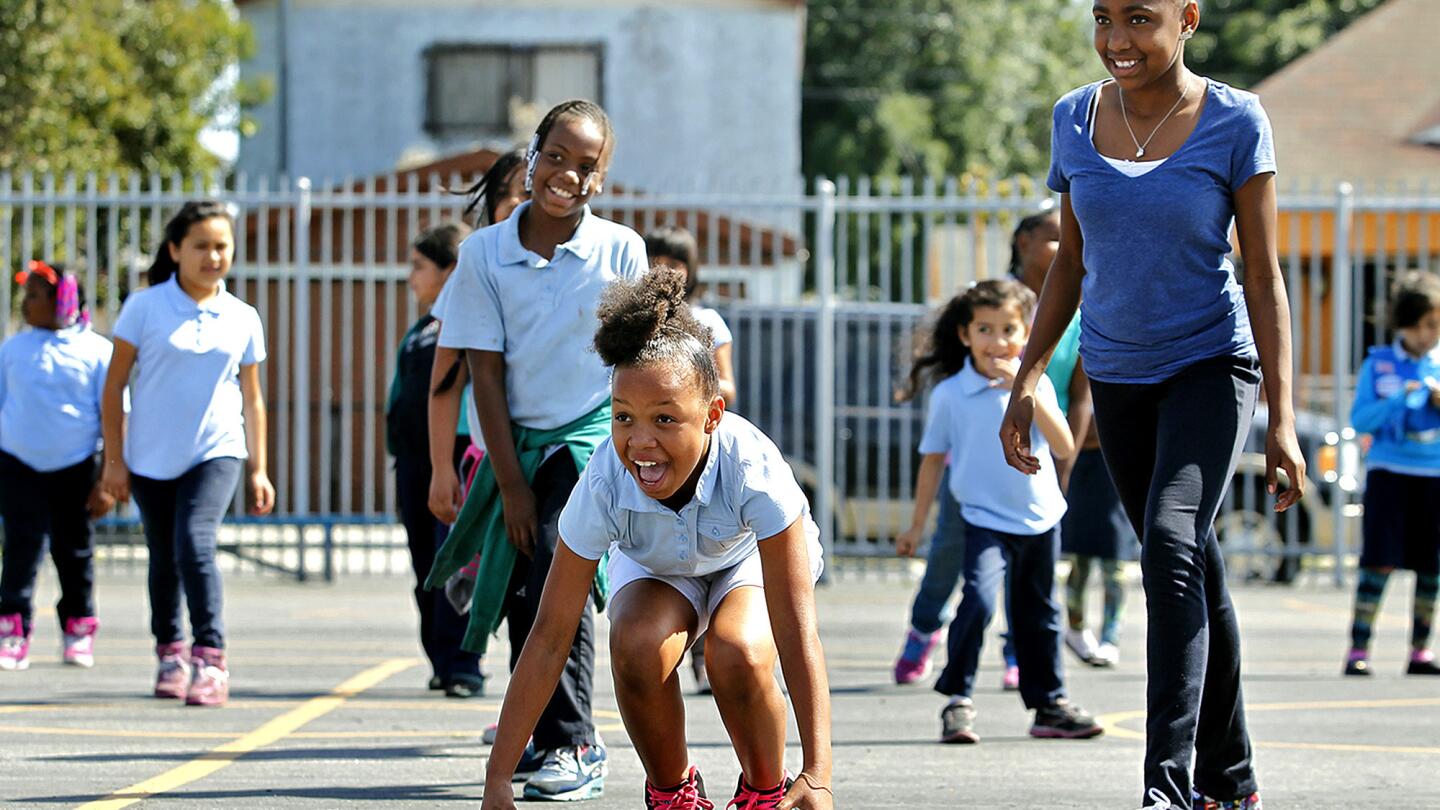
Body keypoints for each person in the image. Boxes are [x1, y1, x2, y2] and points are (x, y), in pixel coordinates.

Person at [1001, 1, 1304, 806]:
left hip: (1212, 363)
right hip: (1118, 372)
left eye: (1139, 19)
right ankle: (1231, 782)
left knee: (1170, 544)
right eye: (1102, 20)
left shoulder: (1237, 120)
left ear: (1187, 20)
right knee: (1194, 564)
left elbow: (1264, 276)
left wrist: (1283, 419)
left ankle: (1166, 786)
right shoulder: (1074, 116)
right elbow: (1069, 263)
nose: (1116, 41)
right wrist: (1030, 376)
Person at [480, 267, 834, 810]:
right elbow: (550, 635)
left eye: (666, 419)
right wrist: (498, 778)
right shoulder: (603, 479)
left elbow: (795, 627)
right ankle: (672, 792)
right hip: (657, 566)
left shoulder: (752, 468)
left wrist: (818, 772)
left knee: (737, 649)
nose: (640, 443)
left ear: (712, 415)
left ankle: (767, 789)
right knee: (637, 642)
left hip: (744, 559)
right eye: (624, 417)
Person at [424, 99, 647, 801]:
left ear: (601, 179)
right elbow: (483, 371)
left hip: (589, 435)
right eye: (556, 156)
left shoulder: (621, 250)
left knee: (559, 565)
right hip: (515, 439)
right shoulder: (485, 253)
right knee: (526, 582)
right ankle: (540, 737)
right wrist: (512, 485)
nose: (567, 175)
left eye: (587, 166)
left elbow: (636, 360)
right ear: (532, 156)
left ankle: (578, 742)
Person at [896, 279, 1101, 746]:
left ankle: (1049, 704)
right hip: (983, 519)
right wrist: (915, 524)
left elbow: (1066, 443)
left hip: (1039, 519)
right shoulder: (951, 394)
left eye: (1009, 329)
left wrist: (1023, 392)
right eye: (985, 329)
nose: (998, 340)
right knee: (980, 603)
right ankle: (957, 700)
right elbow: (932, 461)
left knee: (1040, 613)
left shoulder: (1038, 383)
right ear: (965, 336)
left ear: (1027, 331)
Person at [99, 201, 276, 707]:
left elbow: (253, 397)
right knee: (164, 555)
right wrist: (114, 461)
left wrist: (259, 468)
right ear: (175, 250)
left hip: (216, 450)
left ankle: (210, 658)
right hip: (150, 456)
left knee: (194, 544)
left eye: (222, 246)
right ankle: (170, 652)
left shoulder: (242, 316)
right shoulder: (144, 307)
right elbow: (113, 388)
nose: (213, 256)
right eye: (201, 246)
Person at [1011, 209, 1139, 668]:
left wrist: (1067, 453)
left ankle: (1107, 634)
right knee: (1063, 551)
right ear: (1023, 242)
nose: (1068, 247)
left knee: (1110, 549)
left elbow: (1083, 394)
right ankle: (1061, 631)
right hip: (1032, 443)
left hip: (1085, 446)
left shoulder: (1089, 306)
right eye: (1054, 238)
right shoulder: (1003, 306)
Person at [0, 261, 114, 672]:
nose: (25, 303)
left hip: (76, 467)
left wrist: (108, 479)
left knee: (75, 550)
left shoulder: (97, 351)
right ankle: (13, 629)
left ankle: (78, 628)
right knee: (20, 548)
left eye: (33, 295)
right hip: (18, 466)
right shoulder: (12, 350)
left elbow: (113, 417)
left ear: (61, 300)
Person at [387, 222, 485, 697]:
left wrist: (447, 463)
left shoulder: (466, 323)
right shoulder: (422, 330)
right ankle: (441, 659)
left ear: (450, 271)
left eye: (419, 266)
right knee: (425, 564)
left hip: (452, 456)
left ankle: (464, 662)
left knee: (458, 562)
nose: (411, 277)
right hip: (412, 462)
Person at [644, 223, 738, 695]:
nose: (665, 269)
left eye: (675, 261)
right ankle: (668, 648)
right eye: (656, 259)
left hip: (698, 449)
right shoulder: (639, 324)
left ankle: (707, 655)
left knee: (714, 551)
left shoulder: (708, 320)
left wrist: (684, 391)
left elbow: (728, 385)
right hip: (654, 453)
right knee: (663, 554)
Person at [1344, 270, 1440, 678]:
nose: (1431, 335)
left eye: (1437, 327)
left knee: (1431, 565)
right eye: (1426, 325)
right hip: (1389, 473)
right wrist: (1399, 400)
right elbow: (1361, 419)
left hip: (1433, 474)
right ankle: (1358, 648)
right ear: (1406, 323)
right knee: (1379, 561)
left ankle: (1420, 651)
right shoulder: (1378, 364)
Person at [428, 147, 529, 528]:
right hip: (488, 456)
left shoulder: (576, 270)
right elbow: (445, 381)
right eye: (505, 192)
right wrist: (441, 468)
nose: (517, 201)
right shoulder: (474, 267)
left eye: (528, 190)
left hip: (562, 455)